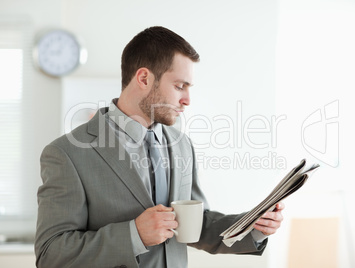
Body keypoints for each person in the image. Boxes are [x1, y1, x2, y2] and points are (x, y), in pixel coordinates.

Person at [35, 26, 284, 268]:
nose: (187, 100)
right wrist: (134, 235)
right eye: (179, 86)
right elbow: (51, 254)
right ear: (144, 78)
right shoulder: (67, 153)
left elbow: (195, 224)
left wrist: (252, 225)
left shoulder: (181, 144)